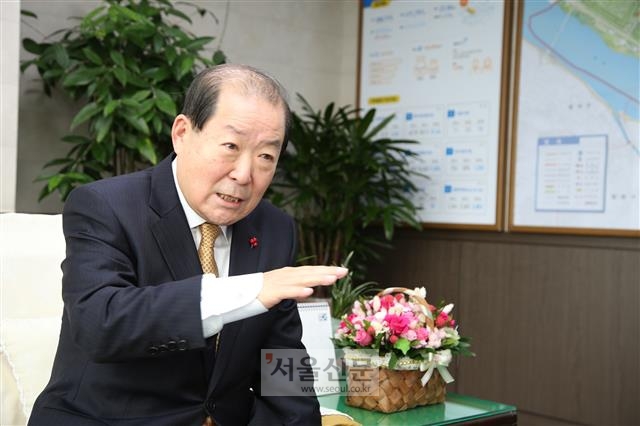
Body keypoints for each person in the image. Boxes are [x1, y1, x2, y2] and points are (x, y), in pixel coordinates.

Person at [28, 64, 348, 426]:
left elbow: (281, 363)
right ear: (182, 133)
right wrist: (249, 291)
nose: (244, 174)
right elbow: (100, 324)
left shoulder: (275, 229)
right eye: (230, 146)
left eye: (265, 157)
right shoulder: (106, 206)